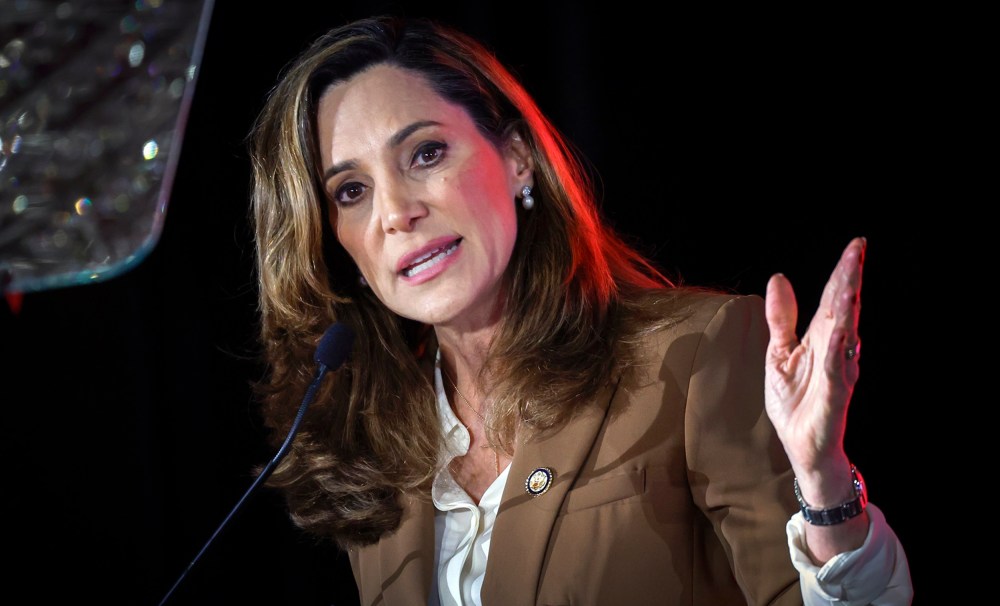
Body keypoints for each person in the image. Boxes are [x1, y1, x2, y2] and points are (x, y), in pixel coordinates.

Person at [246, 14, 913, 605]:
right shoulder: (379, 446)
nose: (396, 213)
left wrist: (824, 484)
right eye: (352, 190)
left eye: (425, 153)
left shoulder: (695, 355)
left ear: (516, 160)